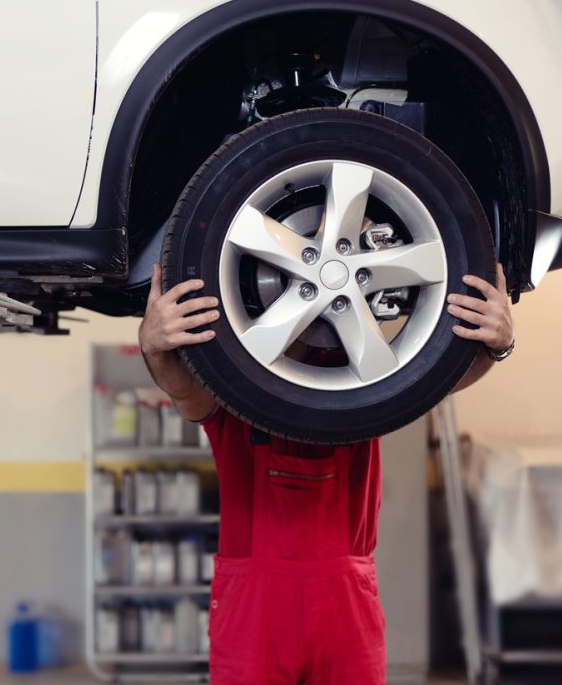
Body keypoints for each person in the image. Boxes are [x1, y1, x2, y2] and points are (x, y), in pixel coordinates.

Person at [138, 261, 514, 685]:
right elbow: (184, 390)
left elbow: (437, 380)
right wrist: (154, 346)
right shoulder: (234, 390)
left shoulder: (357, 386)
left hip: (342, 606)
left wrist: (496, 345)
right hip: (256, 609)